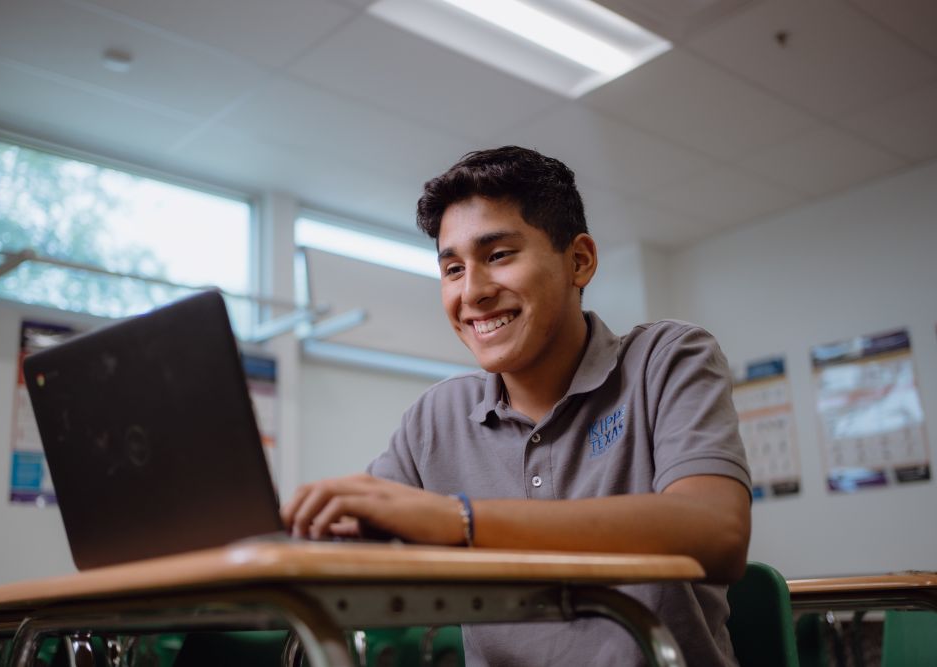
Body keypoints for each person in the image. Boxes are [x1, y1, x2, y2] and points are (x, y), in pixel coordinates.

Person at [282, 146, 752, 666]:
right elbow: (365, 543)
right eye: (453, 268)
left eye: (499, 255)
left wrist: (458, 520)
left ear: (580, 261)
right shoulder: (436, 416)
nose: (473, 292)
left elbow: (717, 533)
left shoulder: (666, 360)